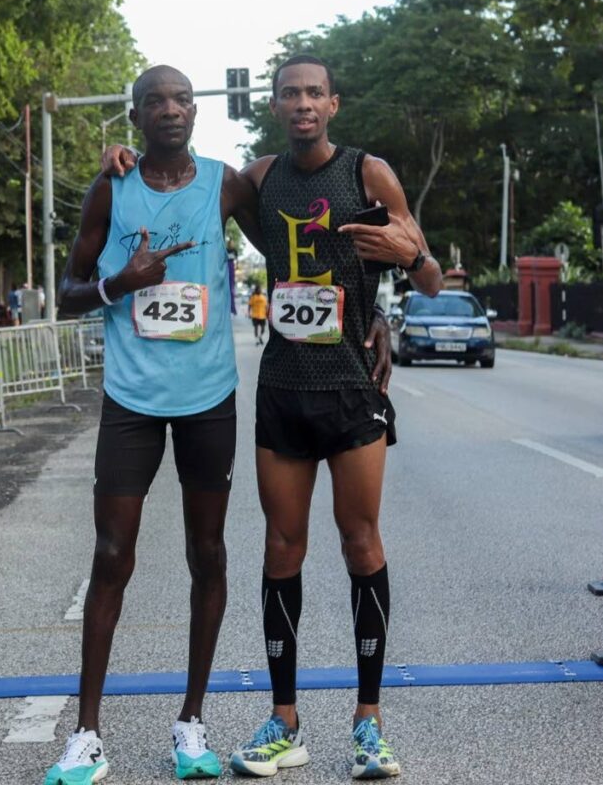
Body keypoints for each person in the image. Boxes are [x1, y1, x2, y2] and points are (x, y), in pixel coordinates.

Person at [48, 65, 391, 785]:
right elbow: (68, 294)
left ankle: (191, 722)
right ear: (134, 116)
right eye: (155, 103)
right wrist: (121, 283)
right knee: (112, 555)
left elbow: (310, 252)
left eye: (181, 100)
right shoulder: (110, 187)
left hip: (208, 399)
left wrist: (376, 313)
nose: (170, 111)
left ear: (196, 113)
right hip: (130, 400)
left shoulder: (229, 183)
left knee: (208, 552)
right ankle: (84, 734)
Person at [225, 55, 442, 781]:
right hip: (284, 389)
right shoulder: (257, 179)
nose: (301, 104)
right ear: (274, 104)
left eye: (313, 93)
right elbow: (183, 183)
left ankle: (368, 723)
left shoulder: (367, 173)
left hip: (352, 389)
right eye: (288, 94)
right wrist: (115, 161)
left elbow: (432, 273)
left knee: (360, 543)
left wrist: (404, 258)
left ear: (333, 103)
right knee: (281, 549)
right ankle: (283, 722)